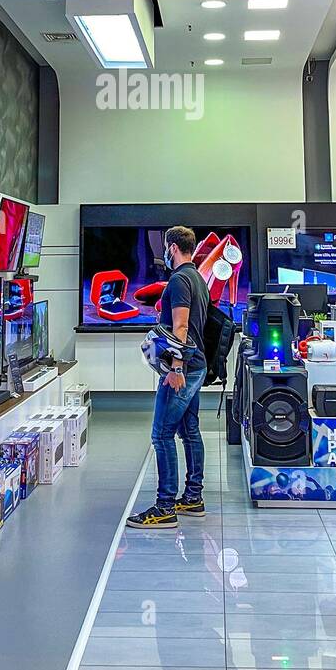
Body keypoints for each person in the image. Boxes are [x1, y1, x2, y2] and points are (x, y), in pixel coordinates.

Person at [127, 226, 210, 529]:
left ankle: (164, 507)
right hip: (197, 365)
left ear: (173, 248)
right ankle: (193, 497)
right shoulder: (198, 278)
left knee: (161, 435)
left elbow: (182, 326)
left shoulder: (178, 280)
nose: (162, 251)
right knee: (189, 432)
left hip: (183, 369)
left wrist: (175, 367)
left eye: (164, 246)